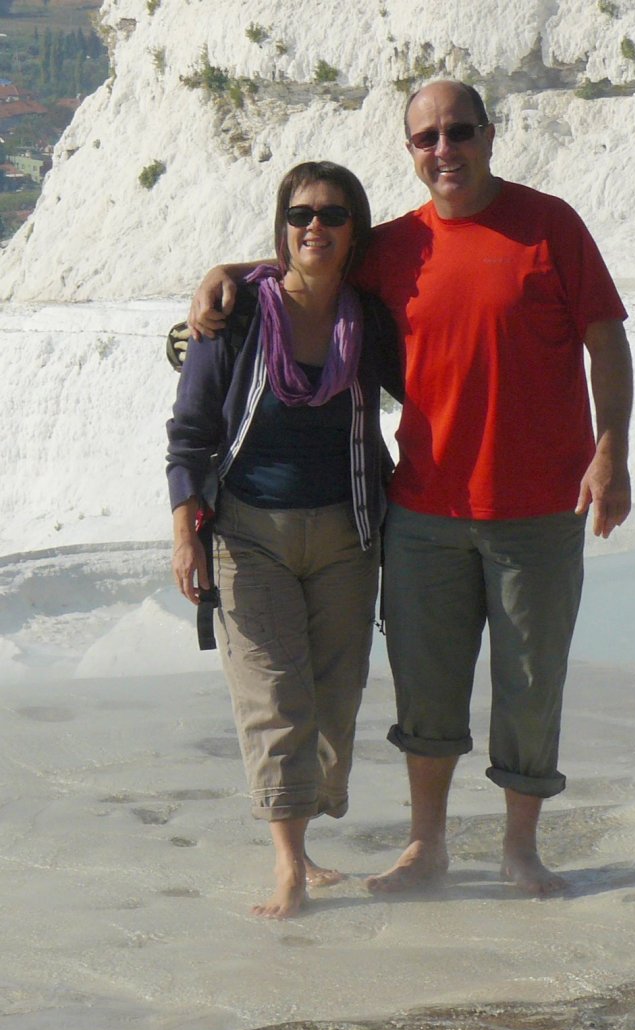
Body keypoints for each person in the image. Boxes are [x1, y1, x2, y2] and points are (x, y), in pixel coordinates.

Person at [187, 80, 633, 899]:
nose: (443, 149)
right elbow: (307, 264)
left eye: (458, 131)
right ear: (410, 152)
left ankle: (520, 849)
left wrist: (612, 449)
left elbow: (605, 339)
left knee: (530, 686)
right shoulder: (395, 246)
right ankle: (426, 846)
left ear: (488, 135)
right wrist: (227, 272)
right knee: (426, 690)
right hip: (424, 509)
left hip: (539, 506)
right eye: (427, 137)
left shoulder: (550, 225)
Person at [166, 161, 403, 919]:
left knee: (335, 699)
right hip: (248, 534)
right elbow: (191, 432)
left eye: (332, 215)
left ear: (355, 230)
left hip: (346, 533)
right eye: (300, 215)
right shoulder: (237, 315)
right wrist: (185, 532)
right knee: (273, 697)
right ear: (282, 227)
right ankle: (289, 864)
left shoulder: (369, 320)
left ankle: (306, 825)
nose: (315, 227)